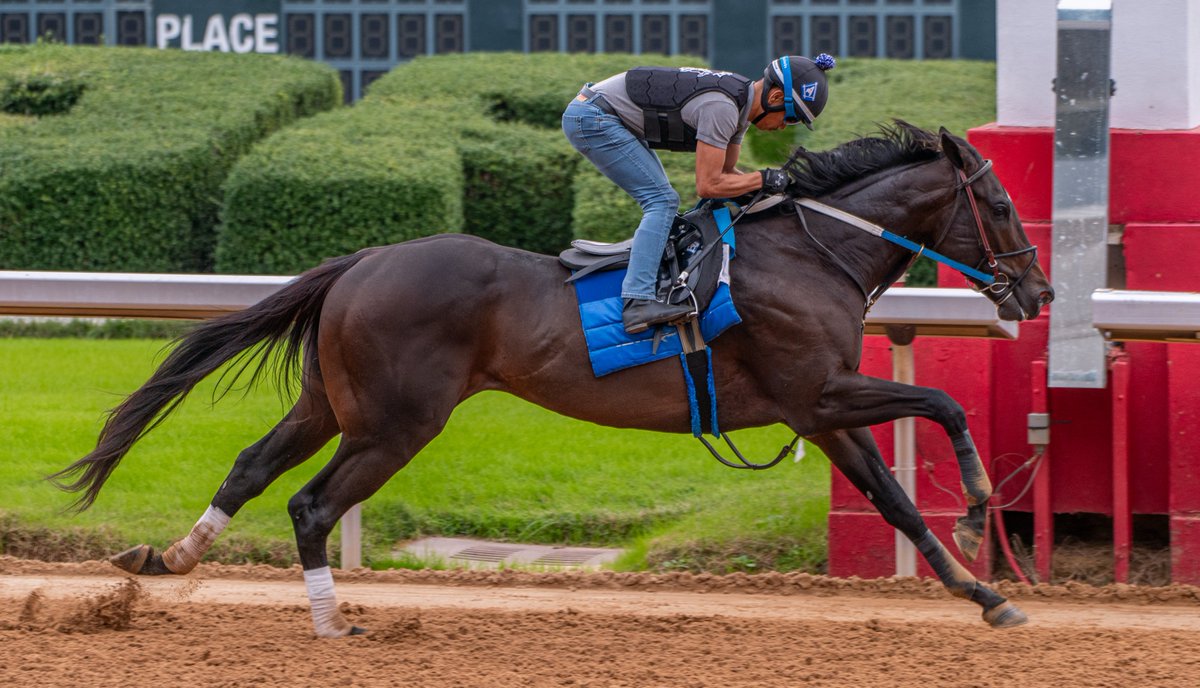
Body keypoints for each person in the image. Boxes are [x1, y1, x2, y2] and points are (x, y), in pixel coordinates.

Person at [563, 54, 836, 334]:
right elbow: (708, 186)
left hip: (603, 113)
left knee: (665, 199)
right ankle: (638, 302)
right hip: (593, 117)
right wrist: (763, 178)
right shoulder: (723, 109)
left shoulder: (739, 105)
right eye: (791, 119)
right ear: (776, 97)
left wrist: (774, 193)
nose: (783, 127)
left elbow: (727, 173)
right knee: (662, 201)